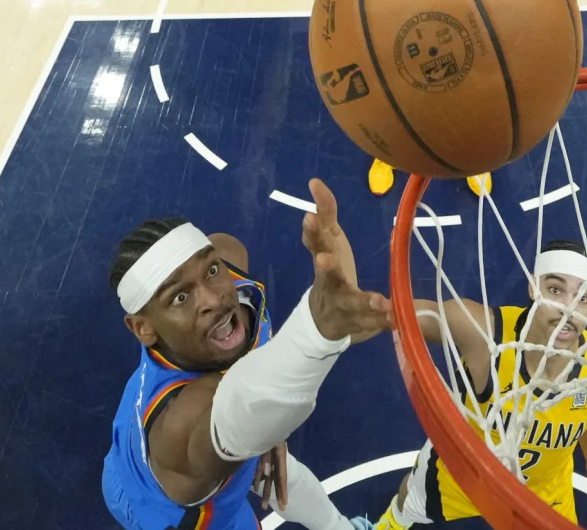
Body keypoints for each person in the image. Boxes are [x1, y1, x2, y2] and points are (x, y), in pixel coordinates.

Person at [102, 179, 388, 530]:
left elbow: (247, 403)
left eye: (211, 270)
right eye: (180, 297)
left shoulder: (229, 261)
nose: (213, 299)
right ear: (143, 328)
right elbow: (229, 421)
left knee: (284, 475)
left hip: (138, 441)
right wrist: (318, 331)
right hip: (168, 511)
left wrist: (394, 313)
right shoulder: (181, 423)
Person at [374, 240, 587, 528]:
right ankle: (393, 521)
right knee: (409, 501)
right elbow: (389, 314)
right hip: (465, 476)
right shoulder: (483, 334)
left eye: (583, 298)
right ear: (533, 287)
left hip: (544, 493)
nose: (567, 310)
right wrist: (344, 314)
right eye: (555, 290)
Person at [369, 0, 493, 199]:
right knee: (397, 97)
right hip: (405, 33)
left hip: (453, 31)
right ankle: (387, 155)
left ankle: (474, 155)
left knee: (465, 94)